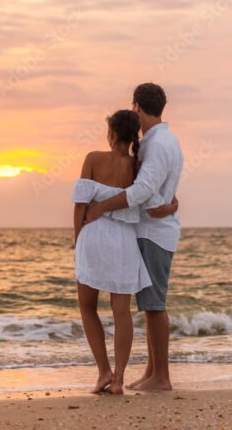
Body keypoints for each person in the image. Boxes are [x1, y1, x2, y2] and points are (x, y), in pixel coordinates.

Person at [84, 82, 184, 392]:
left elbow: (142, 190)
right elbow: (160, 184)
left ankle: (162, 376)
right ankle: (152, 371)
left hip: (153, 234)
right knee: (150, 304)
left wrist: (101, 207)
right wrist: (172, 202)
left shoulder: (157, 144)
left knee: (154, 306)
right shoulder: (163, 140)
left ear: (137, 107)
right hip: (154, 229)